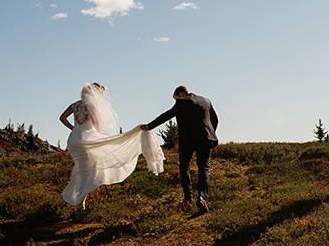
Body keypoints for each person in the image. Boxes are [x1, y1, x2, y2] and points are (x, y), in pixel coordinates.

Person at [60, 82, 165, 209]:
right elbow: (97, 125)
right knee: (92, 171)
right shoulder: (93, 106)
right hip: (89, 140)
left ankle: (78, 200)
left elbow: (62, 118)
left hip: (75, 141)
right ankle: (80, 201)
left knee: (83, 169)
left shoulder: (74, 105)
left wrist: (74, 128)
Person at [143, 85, 218, 213]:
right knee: (204, 167)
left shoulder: (181, 103)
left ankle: (188, 198)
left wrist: (149, 126)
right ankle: (202, 197)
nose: (175, 101)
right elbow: (215, 120)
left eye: (175, 98)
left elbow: (165, 116)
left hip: (188, 141)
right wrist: (210, 133)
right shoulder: (206, 100)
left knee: (184, 167)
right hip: (206, 139)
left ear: (180, 94)